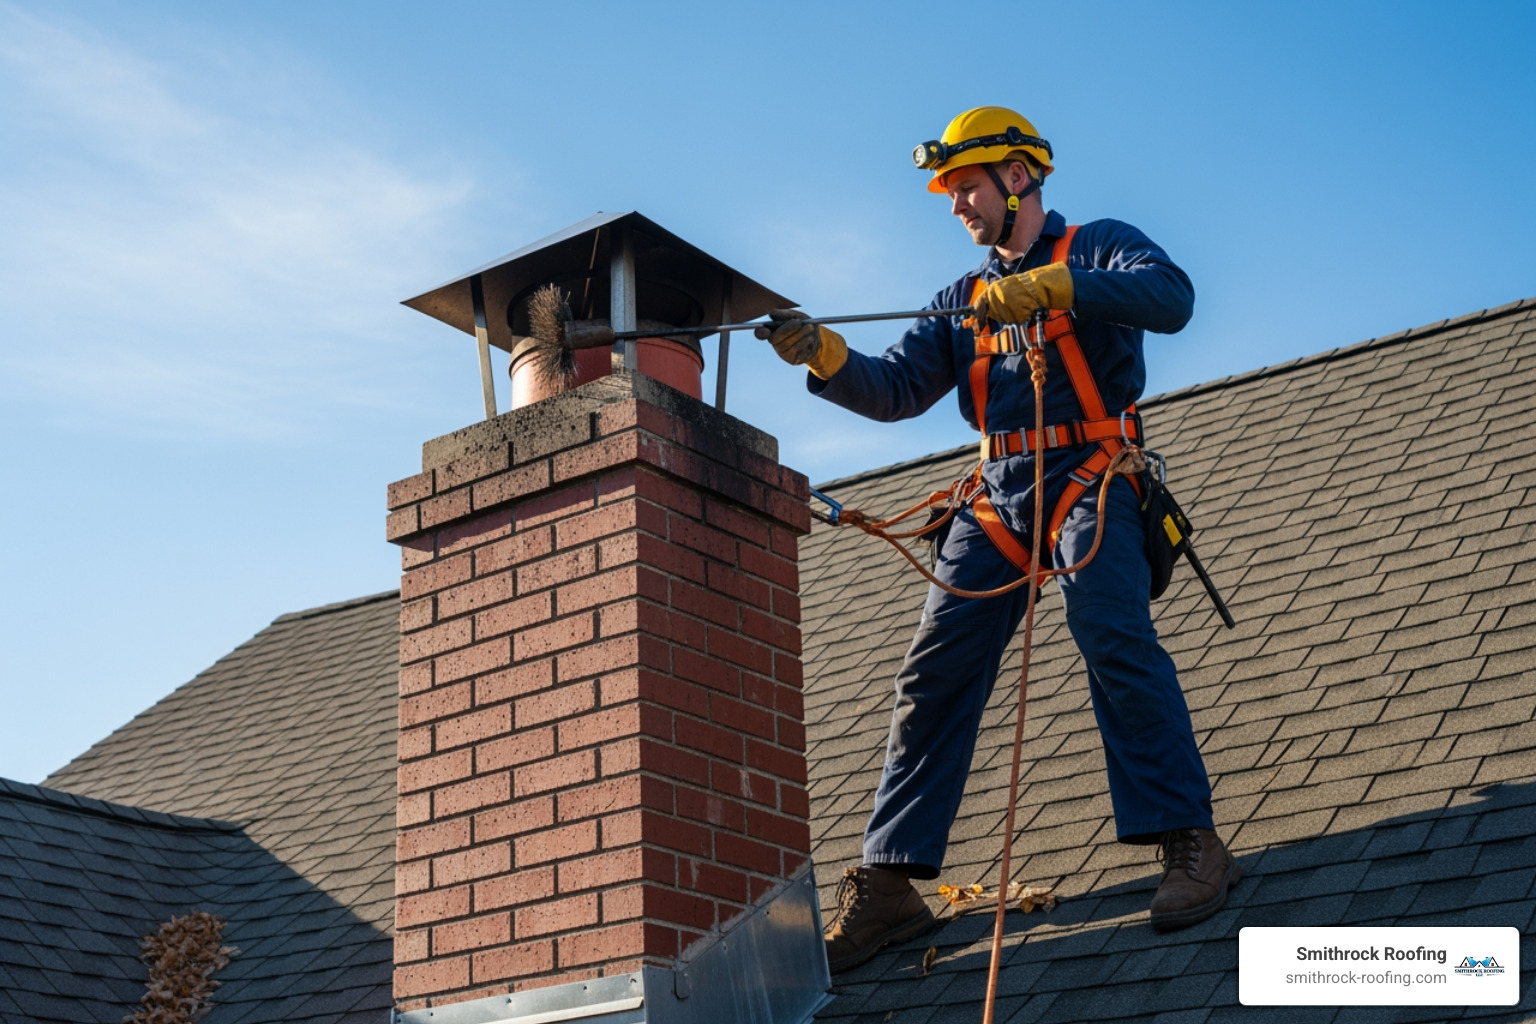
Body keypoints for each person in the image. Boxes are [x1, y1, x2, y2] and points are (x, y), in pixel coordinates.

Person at [758, 107, 1239, 973]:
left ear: (1017, 178)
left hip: (1093, 475)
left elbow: (1174, 297)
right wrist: (824, 356)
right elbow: (897, 387)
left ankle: (1191, 839)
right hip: (999, 497)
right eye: (948, 194)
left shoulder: (1098, 246)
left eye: (964, 188)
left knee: (1110, 630)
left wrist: (1060, 289)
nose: (955, 208)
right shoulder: (959, 301)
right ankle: (892, 884)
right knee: (932, 670)